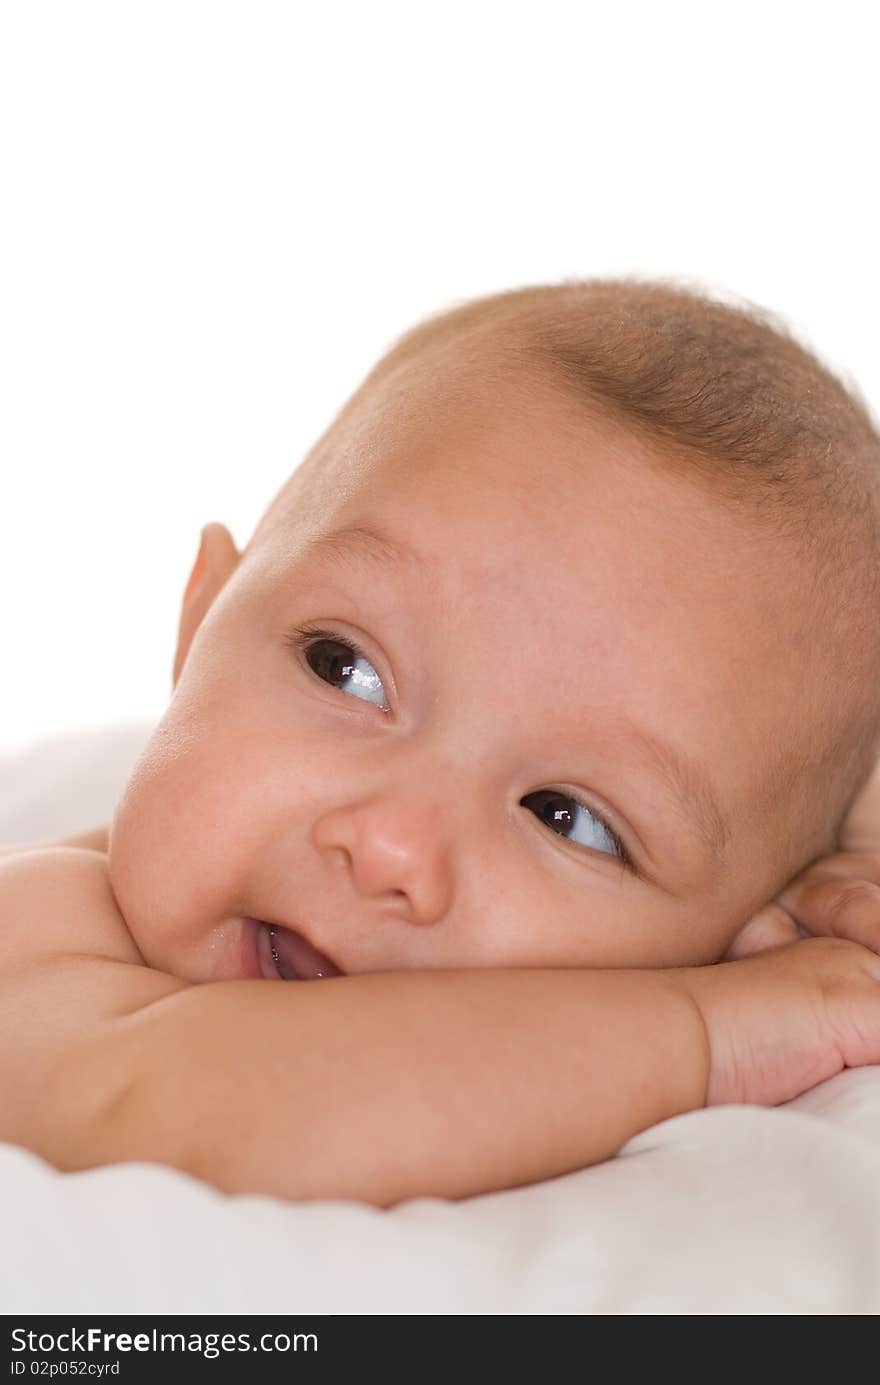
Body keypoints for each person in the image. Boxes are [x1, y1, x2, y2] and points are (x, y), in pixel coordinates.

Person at [3, 277, 880, 1207]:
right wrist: (706, 1034)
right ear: (199, 623)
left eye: (567, 817)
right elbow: (174, 1119)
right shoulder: (40, 932)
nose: (391, 847)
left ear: (744, 931)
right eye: (345, 668)